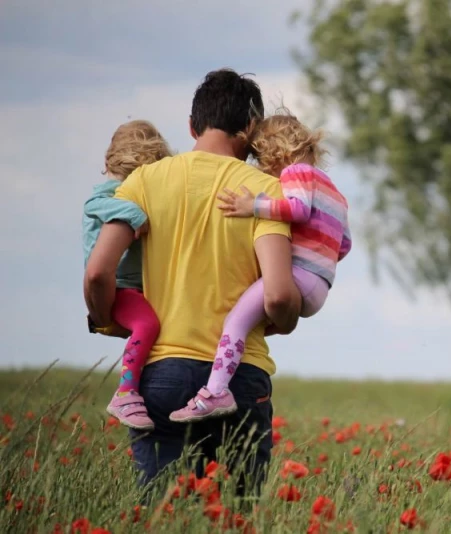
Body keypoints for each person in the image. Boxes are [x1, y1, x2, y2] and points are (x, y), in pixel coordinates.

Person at [84, 68, 301, 494]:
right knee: (236, 517)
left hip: (161, 374)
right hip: (240, 378)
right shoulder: (265, 192)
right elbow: (277, 295)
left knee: (165, 514)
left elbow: (96, 271)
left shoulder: (143, 181)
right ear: (251, 128)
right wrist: (287, 317)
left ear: (191, 126)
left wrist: (105, 316)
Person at [170, 111, 352, 423]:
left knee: (235, 322)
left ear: (275, 152)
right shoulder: (335, 192)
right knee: (251, 323)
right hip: (320, 285)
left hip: (298, 276)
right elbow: (344, 244)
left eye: (260, 158)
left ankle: (215, 392)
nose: (262, 168)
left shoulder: (296, 173)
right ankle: (226, 374)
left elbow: (296, 209)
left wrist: (251, 206)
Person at [83, 120, 170, 431]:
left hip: (135, 286)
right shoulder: (110, 193)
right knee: (147, 324)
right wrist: (135, 215)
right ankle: (126, 392)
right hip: (119, 287)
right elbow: (95, 205)